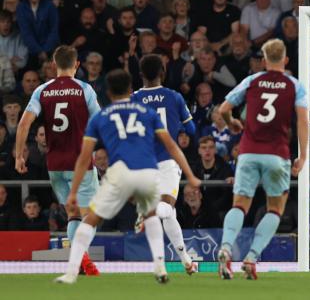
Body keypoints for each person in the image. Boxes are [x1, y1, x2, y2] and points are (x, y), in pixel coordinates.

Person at [54, 69, 201, 284]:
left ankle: (71, 272)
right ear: (130, 89)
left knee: (92, 219)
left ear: (108, 92)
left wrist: (74, 192)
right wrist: (190, 174)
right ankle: (160, 268)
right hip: (147, 169)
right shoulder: (146, 112)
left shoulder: (101, 116)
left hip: (121, 172)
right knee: (153, 215)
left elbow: (84, 158)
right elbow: (171, 145)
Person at [217, 38, 309, 280]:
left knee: (240, 204)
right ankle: (251, 257)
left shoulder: (252, 81)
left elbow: (223, 109)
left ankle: (226, 247)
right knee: (276, 208)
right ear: (286, 60)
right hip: (277, 155)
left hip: (248, 152)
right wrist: (303, 155)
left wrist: (232, 123)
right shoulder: (294, 85)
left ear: (264, 61)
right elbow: (302, 121)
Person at [15, 45, 101, 275]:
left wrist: (18, 155)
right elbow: (100, 122)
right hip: (79, 163)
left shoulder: (42, 90)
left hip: (54, 166)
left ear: (53, 65)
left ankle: (79, 260)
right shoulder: (85, 89)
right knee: (91, 216)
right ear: (77, 65)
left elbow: (24, 123)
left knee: (73, 215)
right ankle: (81, 258)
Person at [131, 54, 198, 274]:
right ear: (163, 71)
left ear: (141, 75)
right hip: (168, 160)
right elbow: (192, 130)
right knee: (166, 206)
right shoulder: (174, 97)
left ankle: (186, 260)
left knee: (170, 214)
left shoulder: (133, 99)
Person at [16, 0, 60, 64]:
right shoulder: (21, 7)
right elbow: (26, 32)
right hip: (30, 49)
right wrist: (39, 51)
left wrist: (45, 50)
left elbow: (54, 30)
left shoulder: (50, 6)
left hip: (50, 48)